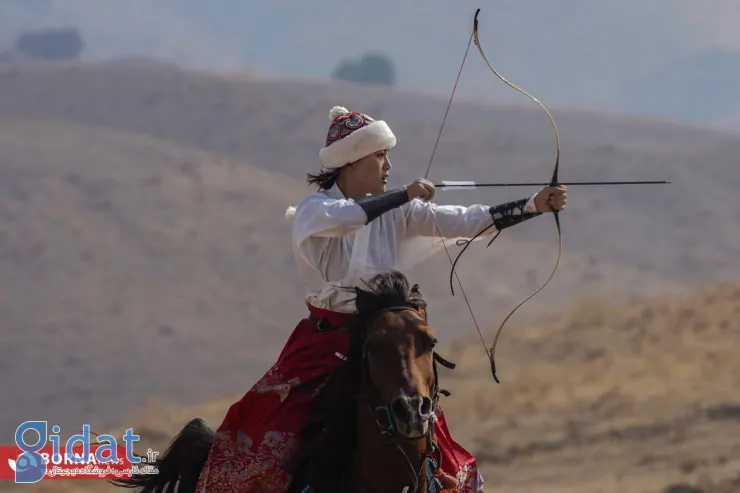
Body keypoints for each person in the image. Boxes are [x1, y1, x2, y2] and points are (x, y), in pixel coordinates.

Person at [194, 106, 567, 492]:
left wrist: (533, 205)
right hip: (326, 343)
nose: (388, 164)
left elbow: (463, 218)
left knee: (427, 428)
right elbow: (350, 216)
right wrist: (404, 195)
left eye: (387, 155)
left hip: (385, 340)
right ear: (351, 163)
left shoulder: (396, 211)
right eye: (379, 155)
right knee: (266, 441)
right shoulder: (315, 210)